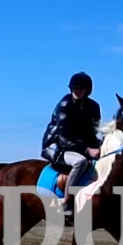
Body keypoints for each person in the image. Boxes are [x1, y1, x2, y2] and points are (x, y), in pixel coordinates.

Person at [40, 72, 103, 204]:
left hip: (78, 146)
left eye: (80, 88)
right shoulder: (65, 105)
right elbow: (65, 138)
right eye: (74, 88)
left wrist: (100, 146)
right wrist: (88, 150)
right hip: (58, 147)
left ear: (87, 90)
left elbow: (92, 133)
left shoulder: (94, 107)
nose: (76, 91)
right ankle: (67, 199)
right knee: (80, 162)